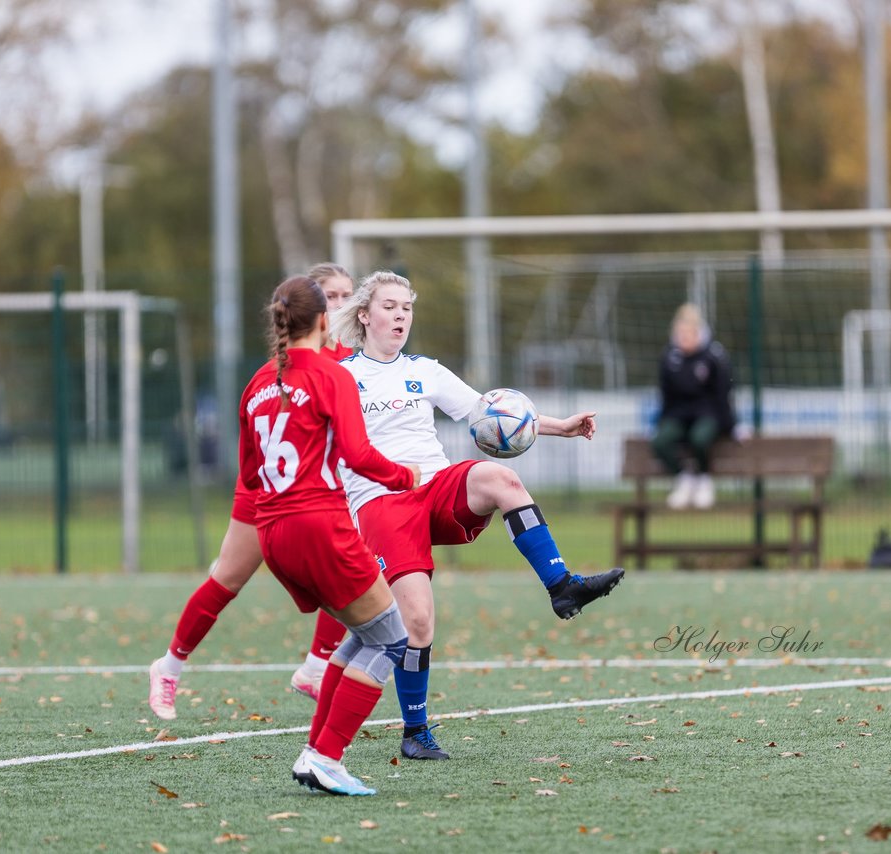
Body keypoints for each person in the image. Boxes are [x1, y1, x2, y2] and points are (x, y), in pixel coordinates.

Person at [318, 270, 625, 761]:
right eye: (390, 306)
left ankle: (561, 586)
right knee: (417, 623)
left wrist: (559, 427)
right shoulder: (341, 377)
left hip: (434, 488)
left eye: (407, 308)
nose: (401, 316)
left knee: (500, 479)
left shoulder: (425, 369)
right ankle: (415, 733)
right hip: (379, 503)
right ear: (364, 315)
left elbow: (489, 413)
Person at [237, 274, 419, 795]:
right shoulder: (332, 374)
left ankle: (316, 755)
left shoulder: (256, 384)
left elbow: (250, 477)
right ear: (323, 321)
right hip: (317, 526)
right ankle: (328, 756)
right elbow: (359, 457)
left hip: (272, 535)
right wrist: (408, 477)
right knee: (394, 640)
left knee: (364, 632)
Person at [148, 264, 354, 721]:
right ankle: (169, 666)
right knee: (227, 580)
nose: (341, 305)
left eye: (347, 295)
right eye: (332, 297)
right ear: (315, 310)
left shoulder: (354, 364)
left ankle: (317, 666)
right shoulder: (282, 371)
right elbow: (256, 454)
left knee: (352, 575)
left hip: (323, 494)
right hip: (269, 491)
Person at [650, 303, 736, 510]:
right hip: (679, 415)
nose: (684, 338)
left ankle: (704, 480)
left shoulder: (714, 356)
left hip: (707, 413)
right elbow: (665, 395)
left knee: (700, 438)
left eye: (689, 333)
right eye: (681, 333)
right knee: (660, 442)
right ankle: (685, 478)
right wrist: (662, 421)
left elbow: (723, 393)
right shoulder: (669, 358)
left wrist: (731, 425)